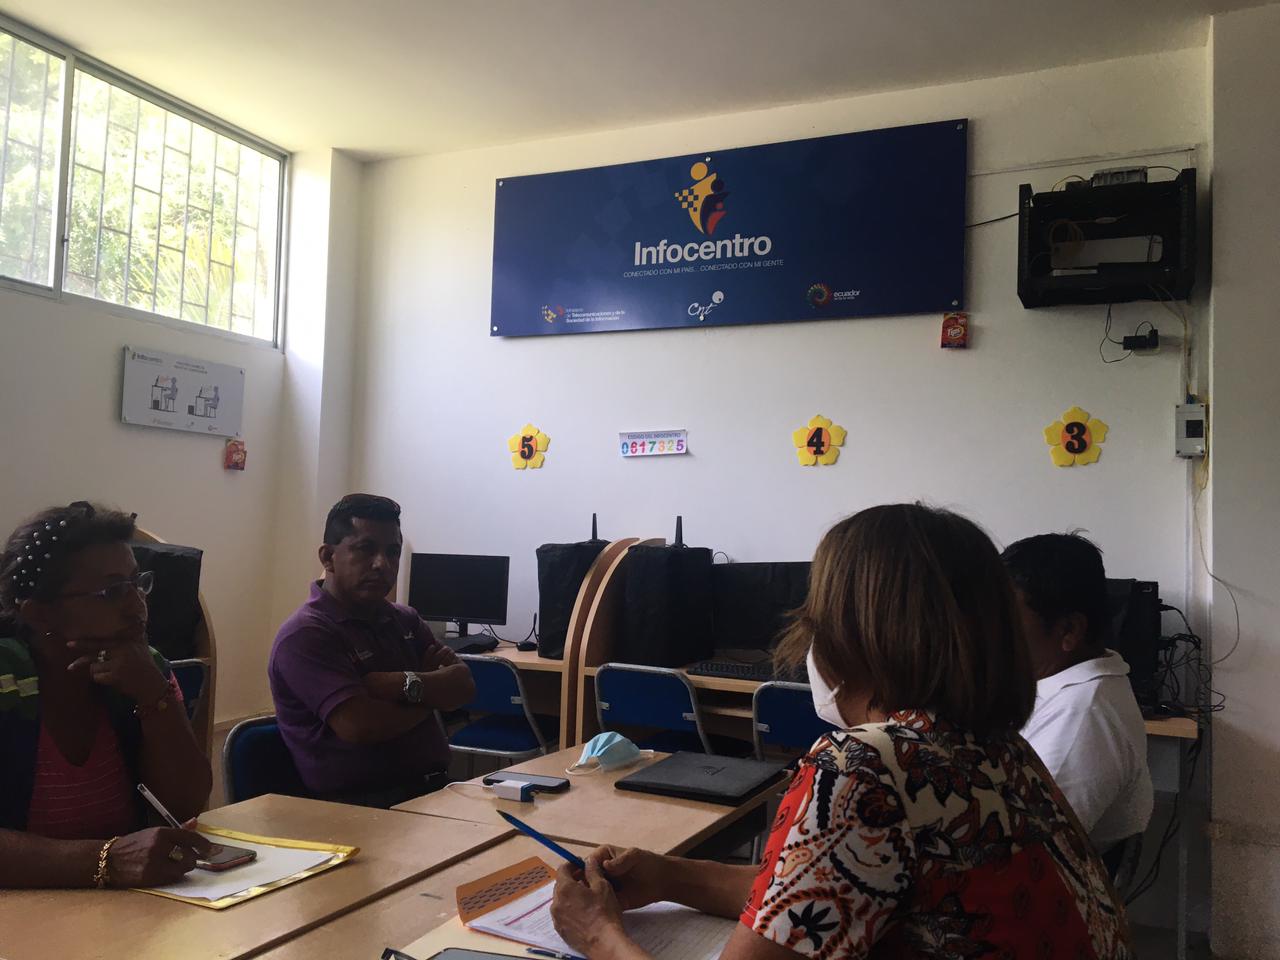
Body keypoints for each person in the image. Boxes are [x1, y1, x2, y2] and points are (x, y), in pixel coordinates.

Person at [550, 504, 1133, 959]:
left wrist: (598, 935)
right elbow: (819, 891)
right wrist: (670, 875)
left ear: (852, 636)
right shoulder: (1001, 750)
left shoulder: (863, 766)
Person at [0, 501, 213, 889]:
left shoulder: (146, 667)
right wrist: (106, 860)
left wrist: (154, 695)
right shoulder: (6, 679)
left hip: (116, 910)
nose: (137, 606)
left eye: (137, 583)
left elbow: (185, 804)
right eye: (112, 592)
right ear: (40, 614)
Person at [268, 494, 476, 807]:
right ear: (328, 557)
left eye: (392, 552)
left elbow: (464, 686)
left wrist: (398, 684)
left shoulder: (404, 619)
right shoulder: (306, 635)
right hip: (360, 807)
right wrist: (431, 693)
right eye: (366, 549)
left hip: (433, 790)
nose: (382, 564)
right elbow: (360, 725)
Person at [1002, 532, 1154, 857]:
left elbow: (1022, 853)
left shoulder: (1082, 718)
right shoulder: (1073, 684)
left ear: (1069, 630)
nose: (993, 632)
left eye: (1008, 621)